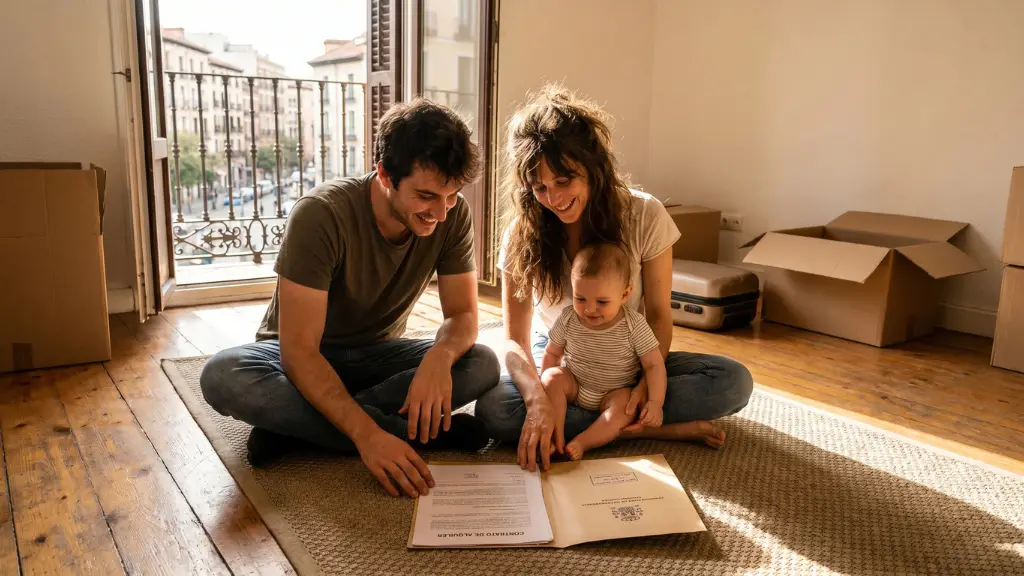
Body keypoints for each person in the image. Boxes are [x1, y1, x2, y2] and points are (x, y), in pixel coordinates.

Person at [200, 98, 501, 499]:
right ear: (384, 174)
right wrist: (368, 436)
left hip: (378, 356)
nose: (442, 213)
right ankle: (404, 433)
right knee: (222, 375)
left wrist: (438, 359)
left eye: (451, 196)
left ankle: (298, 432)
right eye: (427, 196)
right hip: (296, 359)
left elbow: (463, 314)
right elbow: (300, 352)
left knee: (481, 362)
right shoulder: (321, 214)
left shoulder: (453, 214)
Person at [474, 85, 754, 471]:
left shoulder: (644, 215)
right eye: (539, 188)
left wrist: (642, 389)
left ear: (593, 166)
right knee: (495, 410)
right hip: (562, 358)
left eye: (563, 181)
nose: (553, 199)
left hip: (629, 355)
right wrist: (538, 400)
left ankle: (610, 421)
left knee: (732, 380)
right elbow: (514, 340)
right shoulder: (522, 233)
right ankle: (643, 429)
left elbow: (657, 315)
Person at [540, 242, 667, 461]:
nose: (589, 309)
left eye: (602, 302)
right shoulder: (568, 318)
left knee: (625, 409)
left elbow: (654, 364)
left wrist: (655, 402)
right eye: (580, 298)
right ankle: (555, 436)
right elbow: (552, 354)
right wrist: (546, 391)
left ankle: (583, 441)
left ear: (625, 294)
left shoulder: (633, 324)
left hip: (614, 392)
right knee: (551, 377)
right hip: (575, 384)